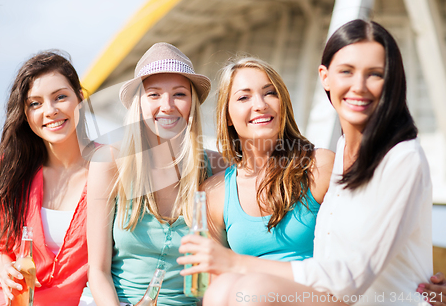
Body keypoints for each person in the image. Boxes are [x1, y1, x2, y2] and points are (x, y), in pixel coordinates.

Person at [200, 19, 434, 306]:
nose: (358, 86)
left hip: (356, 297)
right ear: (325, 77)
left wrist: (239, 264)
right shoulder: (346, 151)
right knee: (221, 292)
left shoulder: (383, 160)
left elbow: (350, 276)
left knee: (250, 291)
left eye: (375, 74)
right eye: (347, 72)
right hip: (324, 294)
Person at [85, 42, 226, 306]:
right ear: (138, 104)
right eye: (154, 94)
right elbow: (97, 271)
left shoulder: (217, 167)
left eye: (179, 94)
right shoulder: (109, 162)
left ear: (192, 103)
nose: (167, 105)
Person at [176, 57, 334, 292]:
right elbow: (207, 279)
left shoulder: (318, 166)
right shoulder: (214, 193)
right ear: (227, 116)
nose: (260, 104)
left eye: (269, 93)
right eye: (244, 97)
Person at [0, 51, 92, 306]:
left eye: (60, 97)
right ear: (25, 113)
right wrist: (5, 271)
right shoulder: (10, 169)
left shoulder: (107, 168)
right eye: (35, 103)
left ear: (80, 99)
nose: (50, 111)